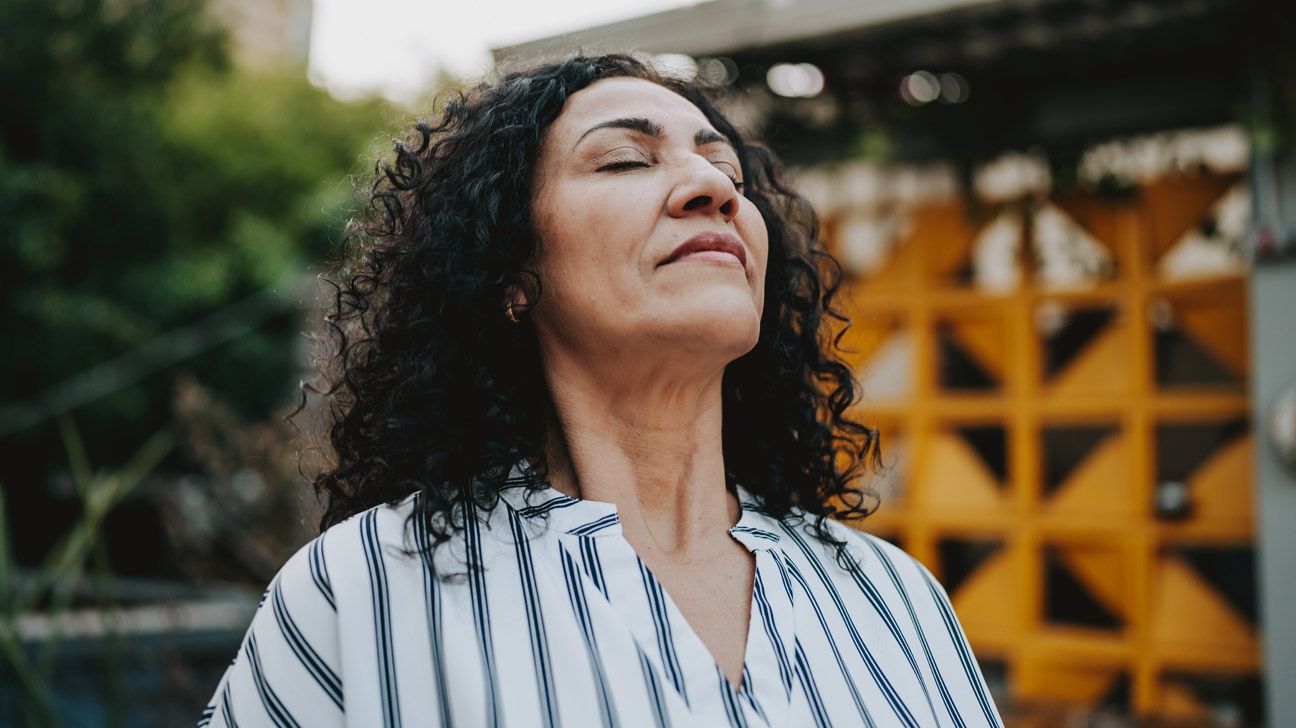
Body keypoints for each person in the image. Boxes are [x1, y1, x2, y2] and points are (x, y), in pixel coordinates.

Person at [199, 53, 1003, 728]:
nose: (714, 189)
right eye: (625, 159)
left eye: (725, 169)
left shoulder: (893, 597)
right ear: (509, 271)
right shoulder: (370, 586)